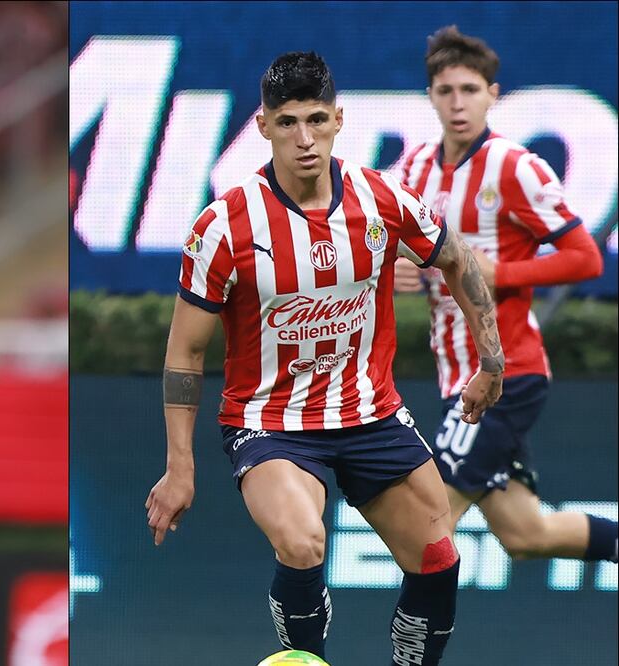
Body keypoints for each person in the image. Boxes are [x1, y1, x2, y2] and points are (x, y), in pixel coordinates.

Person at [145, 52, 504, 664]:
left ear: (339, 119)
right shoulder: (224, 227)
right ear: (263, 127)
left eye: (316, 120)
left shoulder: (382, 199)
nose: (304, 140)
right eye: (287, 123)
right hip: (270, 423)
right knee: (304, 542)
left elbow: (458, 260)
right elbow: (186, 350)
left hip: (371, 414)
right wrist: (180, 467)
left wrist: (491, 361)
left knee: (440, 560)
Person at [394, 26, 618, 568]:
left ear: (493, 94)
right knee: (526, 533)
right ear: (430, 97)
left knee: (424, 531)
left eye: (470, 90)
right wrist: (393, 268)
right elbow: (380, 245)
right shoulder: (413, 170)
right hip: (456, 378)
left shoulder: (515, 167)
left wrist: (501, 272)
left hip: (506, 375)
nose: (458, 102)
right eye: (446, 91)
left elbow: (586, 256)